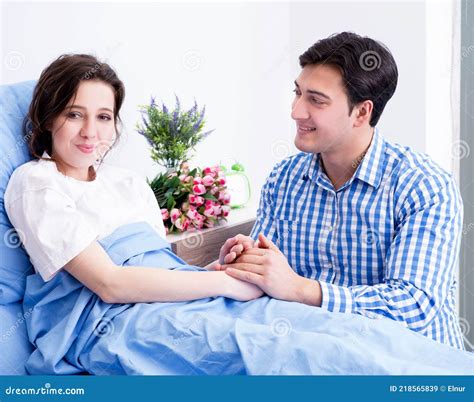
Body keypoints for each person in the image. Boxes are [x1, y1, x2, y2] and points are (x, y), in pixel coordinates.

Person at [216, 32, 465, 350]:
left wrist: (303, 289)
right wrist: (244, 262)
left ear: (362, 112)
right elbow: (269, 280)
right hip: (315, 356)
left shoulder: (423, 186)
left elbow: (413, 306)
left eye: (315, 100)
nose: (296, 111)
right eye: (297, 93)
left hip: (408, 365)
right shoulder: (283, 179)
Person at [5, 54, 263, 304]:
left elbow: (158, 276)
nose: (90, 132)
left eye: (104, 117)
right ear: (49, 119)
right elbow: (110, 285)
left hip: (157, 308)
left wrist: (216, 271)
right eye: (74, 114)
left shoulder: (130, 183)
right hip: (112, 321)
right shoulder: (36, 183)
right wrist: (225, 285)